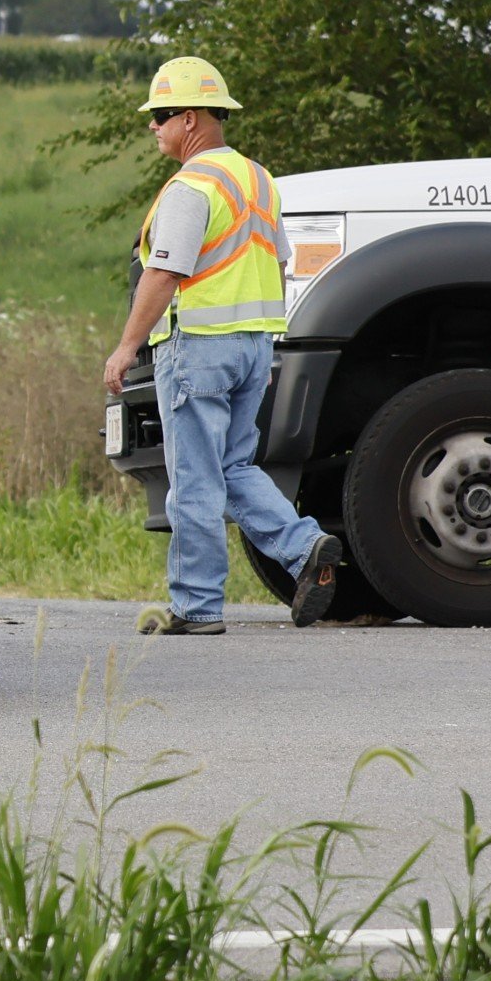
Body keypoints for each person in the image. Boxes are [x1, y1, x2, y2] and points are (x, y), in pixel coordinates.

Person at [100, 57, 344, 634]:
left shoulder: (191, 187)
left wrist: (126, 347)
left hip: (199, 349)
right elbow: (282, 260)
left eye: (160, 116)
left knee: (193, 476)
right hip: (254, 349)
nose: (153, 127)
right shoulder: (258, 179)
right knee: (233, 465)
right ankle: (304, 546)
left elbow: (164, 273)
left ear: (190, 119)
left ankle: (197, 606)